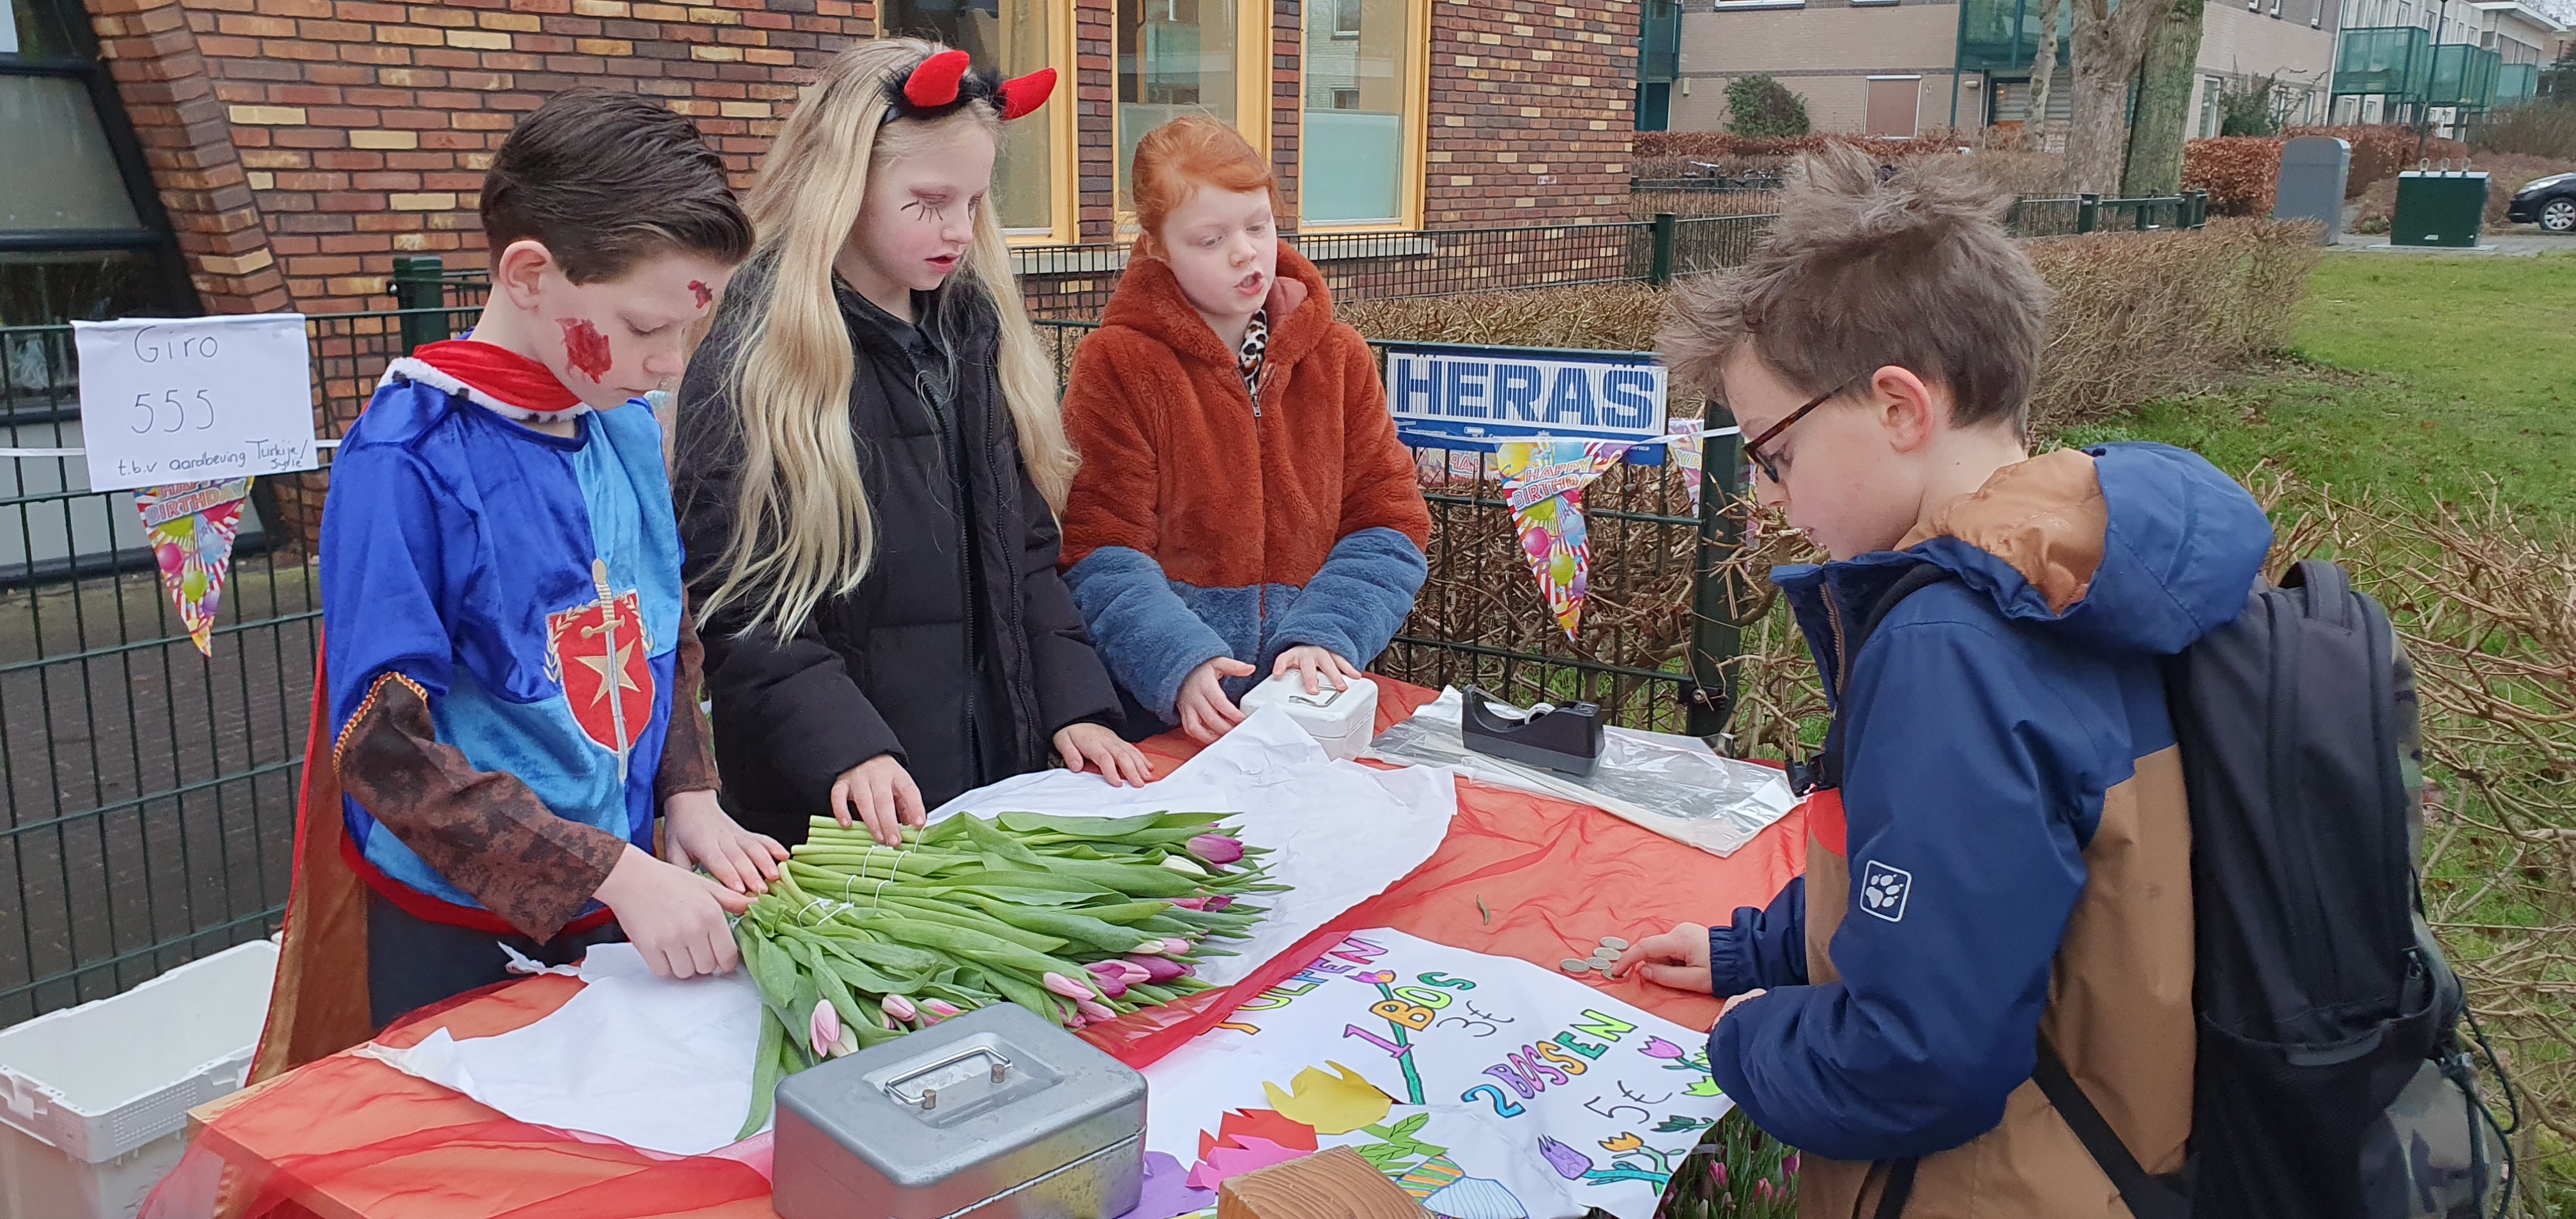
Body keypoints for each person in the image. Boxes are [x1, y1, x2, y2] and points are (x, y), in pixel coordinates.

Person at [1612, 149, 2272, 1217]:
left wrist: (1736, 1042)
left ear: (1899, 409)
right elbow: (1975, 887)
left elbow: (1914, 1057)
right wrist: (1755, 948)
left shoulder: (1948, 644)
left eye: (1773, 455)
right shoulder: (2075, 566)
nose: (1773, 501)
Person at [312, 89, 778, 1034]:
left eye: (689, 330)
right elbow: (379, 744)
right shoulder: (407, 457)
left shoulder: (622, 420)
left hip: (617, 891)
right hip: (459, 927)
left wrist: (689, 793)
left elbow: (658, 623)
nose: (671, 363)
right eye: (648, 329)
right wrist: (603, 866)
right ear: (530, 274)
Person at [671, 42, 1151, 852]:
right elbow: (741, 602)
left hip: (991, 782)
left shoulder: (971, 330)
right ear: (843, 184)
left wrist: (1075, 703)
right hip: (834, 816)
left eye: (973, 202)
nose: (959, 230)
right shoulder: (759, 357)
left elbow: (1025, 555)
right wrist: (847, 748)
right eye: (928, 201)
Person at [1056, 116, 1430, 743]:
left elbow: (1389, 523)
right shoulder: (1117, 365)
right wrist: (1175, 661)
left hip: (1313, 713)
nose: (1245, 252)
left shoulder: (1338, 358)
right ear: (1155, 245)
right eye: (1209, 238)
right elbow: (1098, 546)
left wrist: (1325, 635)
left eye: (1258, 225)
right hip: (1168, 718)